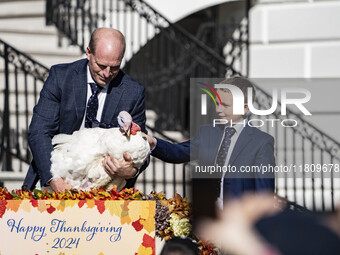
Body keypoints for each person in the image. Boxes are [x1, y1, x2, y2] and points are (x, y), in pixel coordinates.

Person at [22, 28, 147, 192]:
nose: (107, 73)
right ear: (88, 52)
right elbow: (39, 132)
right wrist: (55, 180)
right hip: (55, 181)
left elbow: (142, 145)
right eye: (101, 65)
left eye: (115, 67)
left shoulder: (133, 92)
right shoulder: (61, 77)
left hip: (107, 191)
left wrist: (131, 170)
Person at [145, 76, 275, 204]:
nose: (218, 109)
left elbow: (264, 195)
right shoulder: (208, 133)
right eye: (217, 103)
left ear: (244, 108)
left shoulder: (261, 143)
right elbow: (178, 151)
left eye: (225, 105)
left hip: (239, 219)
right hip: (208, 216)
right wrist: (154, 143)